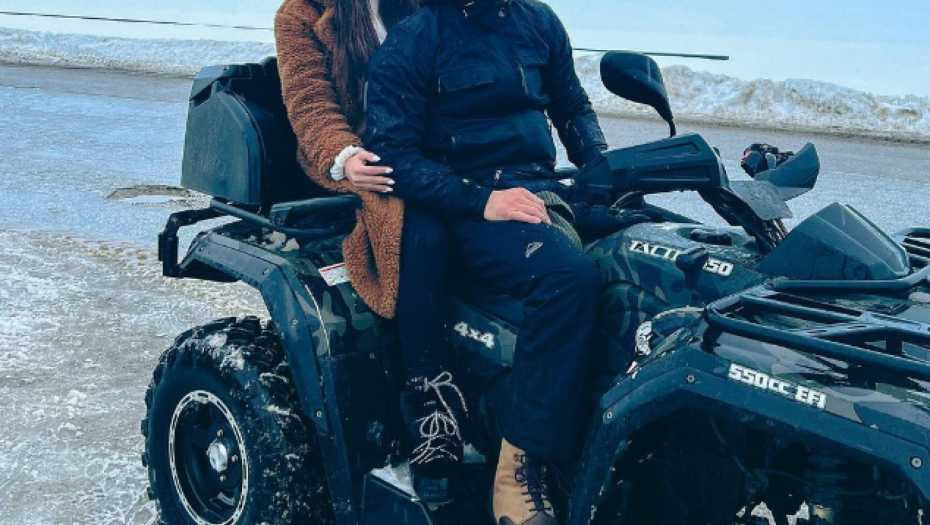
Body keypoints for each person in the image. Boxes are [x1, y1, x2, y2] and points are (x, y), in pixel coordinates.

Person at [363, 0, 608, 523]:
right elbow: (391, 155)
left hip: (537, 188)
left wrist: (603, 168)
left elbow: (571, 105)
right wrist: (482, 201)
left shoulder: (538, 21)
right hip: (462, 202)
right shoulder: (416, 38)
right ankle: (518, 468)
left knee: (652, 258)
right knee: (568, 279)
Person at [275, 0, 471, 503]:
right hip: (361, 158)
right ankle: (428, 404)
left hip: (430, 145)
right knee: (423, 235)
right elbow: (309, 102)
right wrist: (344, 157)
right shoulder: (300, 14)